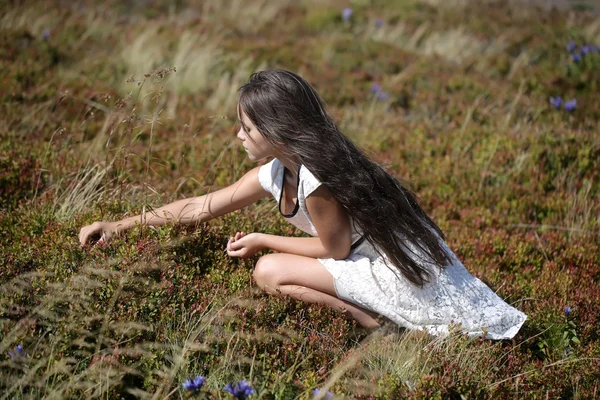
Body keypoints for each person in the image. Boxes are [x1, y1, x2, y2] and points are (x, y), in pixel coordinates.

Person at [79, 69, 527, 339]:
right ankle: (380, 323)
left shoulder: (316, 176)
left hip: (396, 269)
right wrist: (121, 224)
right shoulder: (278, 171)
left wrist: (260, 238)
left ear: (278, 131)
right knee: (270, 268)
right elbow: (201, 205)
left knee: (268, 270)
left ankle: (378, 328)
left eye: (248, 129)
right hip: (376, 259)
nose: (239, 136)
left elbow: (336, 252)